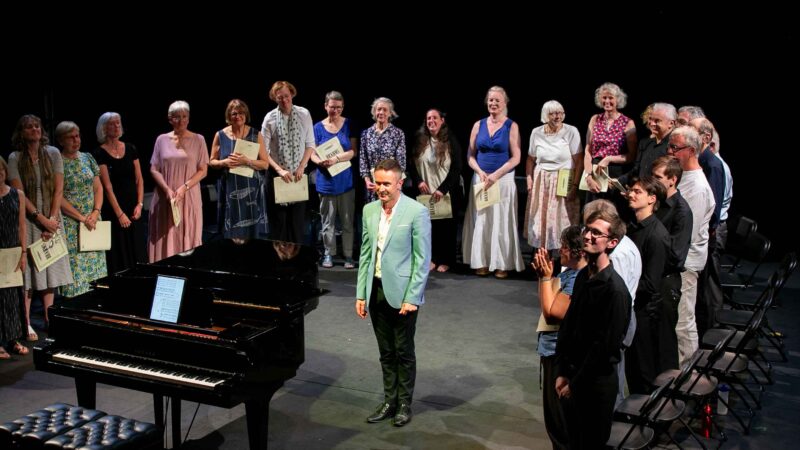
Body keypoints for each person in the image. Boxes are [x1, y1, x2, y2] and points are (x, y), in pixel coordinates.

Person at [355, 159, 431, 428]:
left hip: (402, 295)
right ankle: (389, 401)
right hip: (375, 291)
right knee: (385, 351)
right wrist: (361, 293)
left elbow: (422, 259)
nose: (381, 188)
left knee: (403, 350)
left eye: (387, 183)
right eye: (378, 182)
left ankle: (404, 404)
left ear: (400, 183)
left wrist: (412, 297)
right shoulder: (369, 210)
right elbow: (366, 254)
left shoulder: (416, 211)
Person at [555, 209, 631, 449]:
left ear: (612, 242)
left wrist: (575, 384)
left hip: (594, 386)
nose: (587, 236)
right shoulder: (581, 277)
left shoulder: (615, 291)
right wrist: (562, 371)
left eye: (596, 233)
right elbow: (569, 326)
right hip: (573, 376)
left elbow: (604, 347)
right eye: (588, 230)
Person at [8, 115, 74, 340]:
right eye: (29, 127)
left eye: (37, 126)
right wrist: (41, 219)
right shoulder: (15, 157)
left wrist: (52, 220)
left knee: (50, 272)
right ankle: (25, 323)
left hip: (52, 219)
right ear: (22, 133)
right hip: (29, 220)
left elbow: (58, 190)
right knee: (29, 276)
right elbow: (19, 193)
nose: (35, 129)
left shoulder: (53, 153)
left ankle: (49, 317)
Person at [531, 225, 586, 450]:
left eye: (564, 246)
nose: (560, 250)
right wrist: (545, 277)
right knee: (555, 420)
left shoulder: (576, 279)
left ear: (577, 251)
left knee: (560, 421)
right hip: (552, 349)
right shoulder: (568, 274)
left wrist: (545, 279)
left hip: (559, 352)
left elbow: (552, 314)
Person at [462, 86, 525, 278]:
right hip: (481, 179)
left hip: (502, 179)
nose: (493, 103)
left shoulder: (511, 126)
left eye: (497, 100)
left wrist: (496, 175)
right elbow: (470, 155)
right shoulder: (478, 125)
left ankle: (502, 263)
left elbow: (516, 157)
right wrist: (480, 172)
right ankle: (480, 261)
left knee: (501, 220)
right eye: (490, 100)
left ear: (504, 103)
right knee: (482, 219)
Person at [668, 126, 714, 365]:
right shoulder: (684, 176)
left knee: (684, 321)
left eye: (675, 148)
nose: (670, 151)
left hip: (686, 263)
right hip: (679, 259)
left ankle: (687, 374)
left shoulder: (697, 187)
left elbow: (687, 232)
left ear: (692, 150)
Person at [148, 101, 209, 262]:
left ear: (188, 119)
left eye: (184, 117)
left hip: (189, 197)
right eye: (177, 117)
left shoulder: (199, 140)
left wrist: (184, 187)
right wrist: (167, 190)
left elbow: (203, 170)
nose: (181, 121)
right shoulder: (161, 139)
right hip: (165, 198)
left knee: (188, 235)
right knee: (164, 237)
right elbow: (154, 168)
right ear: (170, 119)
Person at [624, 176, 669, 394]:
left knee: (643, 369)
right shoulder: (633, 228)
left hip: (644, 311)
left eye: (637, 192)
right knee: (632, 367)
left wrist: (621, 288)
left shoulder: (657, 236)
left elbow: (651, 283)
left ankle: (645, 419)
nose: (631, 194)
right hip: (633, 306)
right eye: (631, 190)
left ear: (652, 199)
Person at [523, 100, 582, 264]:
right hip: (542, 182)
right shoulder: (536, 132)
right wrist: (529, 179)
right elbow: (530, 159)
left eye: (560, 113)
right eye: (553, 113)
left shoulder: (571, 131)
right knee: (542, 223)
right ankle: (543, 261)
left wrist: (575, 186)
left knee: (562, 223)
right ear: (545, 115)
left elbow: (579, 161)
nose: (558, 116)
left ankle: (567, 262)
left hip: (563, 180)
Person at [407, 108, 462, 273]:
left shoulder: (450, 140)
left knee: (446, 228)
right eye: (428, 118)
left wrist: (443, 189)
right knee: (428, 228)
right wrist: (418, 181)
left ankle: (446, 260)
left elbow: (457, 167)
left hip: (445, 193)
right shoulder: (420, 140)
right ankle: (432, 258)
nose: (431, 121)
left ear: (442, 121)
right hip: (425, 192)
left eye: (434, 118)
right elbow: (412, 163)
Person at [56, 121, 107, 298]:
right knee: (76, 268)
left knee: (96, 268)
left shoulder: (87, 158)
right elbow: (58, 197)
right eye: (71, 137)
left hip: (93, 221)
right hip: (72, 224)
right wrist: (81, 217)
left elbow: (98, 188)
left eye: (77, 135)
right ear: (61, 141)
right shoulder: (58, 162)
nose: (76, 140)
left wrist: (95, 212)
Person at [261, 81, 315, 243]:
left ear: (292, 94)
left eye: (286, 96)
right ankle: (279, 261)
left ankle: (296, 263)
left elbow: (310, 144)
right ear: (275, 99)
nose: (284, 100)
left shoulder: (304, 114)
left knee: (297, 223)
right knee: (279, 223)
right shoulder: (269, 118)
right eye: (280, 98)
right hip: (277, 176)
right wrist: (279, 170)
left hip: (298, 174)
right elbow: (263, 151)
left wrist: (301, 167)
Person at [651, 156, 692, 371]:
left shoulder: (681, 212)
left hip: (666, 282)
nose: (652, 180)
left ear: (672, 180)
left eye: (657, 177)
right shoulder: (655, 202)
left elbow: (676, 256)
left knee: (665, 341)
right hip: (652, 277)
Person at [209, 99, 269, 242]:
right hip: (229, 189)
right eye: (234, 113)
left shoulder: (255, 134)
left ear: (246, 114)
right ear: (229, 116)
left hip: (251, 189)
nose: (238, 116)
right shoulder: (220, 135)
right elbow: (211, 161)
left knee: (251, 233)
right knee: (230, 232)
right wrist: (224, 162)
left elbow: (265, 164)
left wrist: (246, 161)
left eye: (241, 113)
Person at [309, 91, 357, 269]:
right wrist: (318, 161)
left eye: (338, 107)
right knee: (327, 222)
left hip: (345, 182)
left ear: (342, 107)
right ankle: (328, 253)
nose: (335, 110)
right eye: (332, 107)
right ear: (325, 106)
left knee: (347, 221)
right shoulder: (317, 127)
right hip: (326, 182)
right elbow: (311, 152)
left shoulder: (349, 124)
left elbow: (354, 151)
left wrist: (337, 159)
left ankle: (349, 255)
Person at [94, 112, 145, 274]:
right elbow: (107, 187)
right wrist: (119, 214)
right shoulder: (99, 153)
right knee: (119, 252)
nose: (116, 126)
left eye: (118, 123)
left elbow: (139, 180)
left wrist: (140, 204)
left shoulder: (130, 148)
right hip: (114, 210)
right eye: (111, 124)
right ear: (103, 128)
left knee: (137, 249)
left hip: (133, 208)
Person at [582, 82, 637, 209]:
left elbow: (632, 156)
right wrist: (588, 176)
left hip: (615, 173)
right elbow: (588, 151)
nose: (607, 101)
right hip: (595, 172)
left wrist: (608, 159)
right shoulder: (595, 119)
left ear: (618, 99)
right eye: (604, 97)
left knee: (612, 213)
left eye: (610, 98)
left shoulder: (628, 123)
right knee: (593, 211)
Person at [0, 155, 28, 359]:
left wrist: (24, 252)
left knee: (13, 297)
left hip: (13, 252)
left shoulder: (16, 194)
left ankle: (12, 339)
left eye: (1, 170)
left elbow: (22, 226)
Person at [359, 97, 406, 203]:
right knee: (375, 217)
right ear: (374, 112)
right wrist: (367, 180)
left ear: (390, 113)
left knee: (391, 216)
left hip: (392, 184)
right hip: (373, 186)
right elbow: (363, 161)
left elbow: (401, 163)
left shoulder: (398, 134)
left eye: (385, 110)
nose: (381, 112)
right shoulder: (366, 134)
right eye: (379, 109)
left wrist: (397, 183)